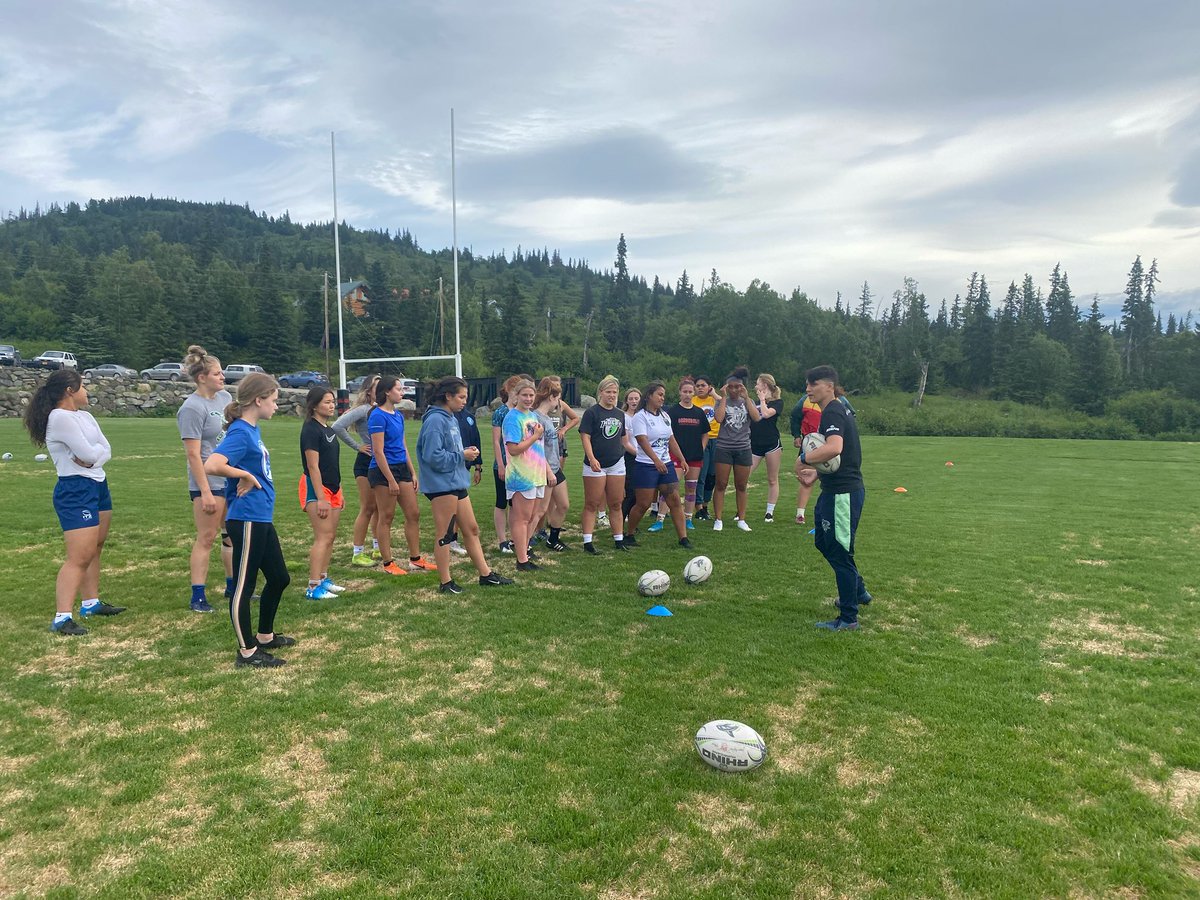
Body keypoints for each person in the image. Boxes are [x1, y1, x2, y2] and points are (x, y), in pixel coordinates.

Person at [25, 369, 125, 635]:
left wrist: (96, 458)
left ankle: (90, 603)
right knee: (79, 556)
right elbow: (86, 453)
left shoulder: (86, 416)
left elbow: (103, 451)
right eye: (83, 386)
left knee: (96, 546)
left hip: (98, 484)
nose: (87, 391)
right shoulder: (59, 418)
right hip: (75, 489)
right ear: (70, 390)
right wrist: (94, 456)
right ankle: (62, 618)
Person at [204, 373, 292, 668]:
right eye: (274, 400)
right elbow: (212, 464)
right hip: (247, 518)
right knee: (244, 585)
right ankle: (247, 652)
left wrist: (246, 473)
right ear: (259, 400)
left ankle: (265, 636)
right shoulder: (241, 432)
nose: (277, 406)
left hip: (260, 516)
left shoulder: (251, 430)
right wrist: (243, 475)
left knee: (280, 578)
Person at [417, 376, 515, 593]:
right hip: (442, 485)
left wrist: (467, 456)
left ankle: (486, 575)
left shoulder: (451, 417)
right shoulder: (435, 420)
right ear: (448, 396)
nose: (464, 401)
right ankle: (445, 582)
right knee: (445, 534)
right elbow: (432, 456)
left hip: (456, 481)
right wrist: (462, 455)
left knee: (471, 529)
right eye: (461, 397)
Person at [800, 365, 871, 631]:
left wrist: (803, 459)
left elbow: (834, 448)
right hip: (833, 490)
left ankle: (849, 618)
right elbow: (843, 457)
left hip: (844, 494)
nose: (808, 389)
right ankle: (859, 590)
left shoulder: (832, 409)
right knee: (824, 542)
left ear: (829, 386)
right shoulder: (835, 409)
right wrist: (816, 476)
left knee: (840, 552)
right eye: (807, 384)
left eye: (813, 383)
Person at [177, 344, 233, 613]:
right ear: (202, 378)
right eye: (217, 374)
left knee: (231, 534)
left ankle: (233, 587)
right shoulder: (191, 408)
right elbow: (193, 454)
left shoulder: (225, 400)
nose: (223, 377)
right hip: (208, 482)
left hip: (229, 478)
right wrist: (206, 492)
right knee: (207, 536)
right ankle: (197, 596)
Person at [368, 376, 437, 576]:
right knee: (386, 516)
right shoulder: (377, 416)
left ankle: (415, 559)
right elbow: (378, 451)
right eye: (398, 389)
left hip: (402, 468)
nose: (402, 392)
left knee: (413, 513)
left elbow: (403, 445)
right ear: (387, 392)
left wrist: (413, 472)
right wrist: (390, 479)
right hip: (383, 471)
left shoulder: (397, 415)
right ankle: (388, 563)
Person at [625, 382, 694, 549]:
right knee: (643, 504)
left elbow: (671, 440)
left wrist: (682, 458)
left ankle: (683, 538)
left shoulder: (665, 416)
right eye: (660, 395)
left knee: (675, 500)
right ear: (649, 396)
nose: (663, 398)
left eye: (663, 395)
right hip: (646, 466)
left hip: (666, 465)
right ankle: (629, 534)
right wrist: (656, 460)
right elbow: (642, 440)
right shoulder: (640, 416)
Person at [300, 387, 347, 600]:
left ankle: (323, 578)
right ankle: (313, 586)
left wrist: (340, 490)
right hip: (316, 487)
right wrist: (321, 497)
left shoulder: (328, 429)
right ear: (314, 405)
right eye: (327, 402)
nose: (332, 405)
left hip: (333, 488)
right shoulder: (311, 429)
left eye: (332, 401)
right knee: (323, 536)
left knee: (331, 536)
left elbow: (332, 464)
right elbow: (313, 467)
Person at [332, 374, 382, 567]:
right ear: (369, 391)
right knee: (368, 507)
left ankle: (377, 547)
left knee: (379, 507)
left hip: (381, 463)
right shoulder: (363, 410)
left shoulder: (381, 410)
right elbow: (337, 426)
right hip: (365, 463)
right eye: (377, 387)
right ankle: (358, 552)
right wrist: (358, 446)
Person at [578, 375, 632, 554]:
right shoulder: (592, 413)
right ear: (601, 392)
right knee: (592, 503)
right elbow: (585, 436)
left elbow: (623, 439)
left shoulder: (619, 414)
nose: (612, 395)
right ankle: (588, 541)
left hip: (616, 462)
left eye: (615, 392)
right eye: (608, 392)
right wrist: (592, 458)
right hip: (596, 464)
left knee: (616, 503)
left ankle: (618, 538)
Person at [502, 378, 548, 571]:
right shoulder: (513, 418)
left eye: (531, 395)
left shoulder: (532, 416)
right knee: (521, 519)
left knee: (531, 517)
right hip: (521, 474)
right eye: (525, 395)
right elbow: (513, 449)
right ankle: (522, 560)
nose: (529, 399)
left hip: (536, 474)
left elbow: (538, 448)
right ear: (516, 396)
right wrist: (535, 437)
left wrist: (546, 470)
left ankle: (525, 552)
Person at [711, 366, 760, 532]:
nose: (734, 390)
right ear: (726, 387)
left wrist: (746, 398)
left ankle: (742, 519)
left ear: (742, 387)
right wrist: (723, 398)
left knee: (741, 485)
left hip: (743, 447)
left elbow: (756, 417)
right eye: (730, 386)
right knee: (721, 484)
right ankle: (718, 519)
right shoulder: (720, 401)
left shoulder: (747, 401)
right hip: (724, 447)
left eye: (737, 386)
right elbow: (718, 418)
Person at [663, 377, 707, 530]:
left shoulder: (699, 412)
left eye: (690, 391)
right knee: (670, 487)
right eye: (684, 392)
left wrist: (701, 447)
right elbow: (667, 434)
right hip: (675, 456)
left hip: (694, 456)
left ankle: (688, 518)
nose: (687, 394)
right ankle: (660, 519)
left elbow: (705, 433)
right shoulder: (672, 412)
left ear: (693, 393)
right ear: (679, 393)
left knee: (691, 488)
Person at [534, 377, 571, 552]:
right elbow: (537, 449)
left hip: (555, 467)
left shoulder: (547, 417)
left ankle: (553, 539)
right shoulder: (537, 418)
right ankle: (524, 543)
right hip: (545, 470)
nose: (559, 401)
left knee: (563, 504)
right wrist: (548, 471)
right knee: (540, 510)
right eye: (557, 397)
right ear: (551, 397)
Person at [491, 375, 523, 554]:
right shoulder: (501, 412)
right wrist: (501, 464)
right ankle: (502, 540)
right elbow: (496, 441)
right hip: (504, 463)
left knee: (516, 503)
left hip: (520, 465)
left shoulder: (522, 412)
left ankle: (514, 538)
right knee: (502, 501)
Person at [448, 399, 484, 556]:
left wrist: (478, 467)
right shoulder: (446, 418)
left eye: (465, 397)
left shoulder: (469, 417)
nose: (463, 400)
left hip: (465, 466)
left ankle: (452, 539)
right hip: (451, 466)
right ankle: (450, 539)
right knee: (452, 507)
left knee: (458, 506)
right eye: (460, 396)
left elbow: (476, 440)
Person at [748, 373, 785, 522]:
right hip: (754, 444)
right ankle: (740, 510)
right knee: (743, 477)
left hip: (771, 445)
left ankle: (769, 512)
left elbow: (766, 414)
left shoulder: (777, 402)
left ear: (765, 385)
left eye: (758, 383)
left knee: (772, 479)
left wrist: (763, 399)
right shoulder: (754, 401)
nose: (756, 386)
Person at [789, 392, 823, 525]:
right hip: (810, 443)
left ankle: (828, 512)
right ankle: (800, 513)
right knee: (806, 478)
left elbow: (850, 415)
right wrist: (796, 435)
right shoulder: (805, 400)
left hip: (830, 443)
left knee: (831, 478)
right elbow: (795, 416)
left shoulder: (839, 401)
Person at [692, 376, 718, 520]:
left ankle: (706, 505)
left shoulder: (714, 400)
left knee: (712, 476)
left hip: (717, 439)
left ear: (709, 386)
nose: (700, 388)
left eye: (703, 385)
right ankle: (699, 507)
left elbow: (724, 404)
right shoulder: (694, 401)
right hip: (701, 440)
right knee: (701, 475)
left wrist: (714, 393)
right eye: (698, 385)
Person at [619, 387, 643, 528]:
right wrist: (640, 454)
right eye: (631, 399)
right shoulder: (625, 417)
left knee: (639, 493)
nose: (634, 401)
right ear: (626, 401)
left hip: (643, 458)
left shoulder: (642, 416)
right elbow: (626, 443)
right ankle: (620, 523)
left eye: (636, 398)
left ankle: (632, 522)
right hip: (631, 457)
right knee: (630, 492)